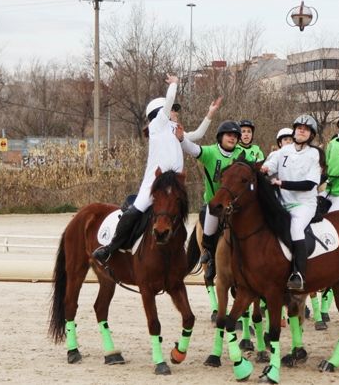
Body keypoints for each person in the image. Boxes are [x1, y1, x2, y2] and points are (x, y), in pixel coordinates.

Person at [92, 75, 183, 264]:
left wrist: (210, 114)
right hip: (153, 185)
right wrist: (174, 84)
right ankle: (109, 249)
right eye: (172, 110)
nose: (175, 113)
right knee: (134, 212)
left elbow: (196, 135)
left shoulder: (175, 131)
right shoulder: (157, 126)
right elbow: (169, 104)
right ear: (159, 114)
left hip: (171, 186)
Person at [261, 114, 322, 291]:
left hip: (304, 205)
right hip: (283, 204)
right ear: (294, 131)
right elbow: (270, 166)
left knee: (295, 227)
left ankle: (298, 274)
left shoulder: (314, 154)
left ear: (311, 135)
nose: (301, 130)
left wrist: (282, 183)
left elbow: (310, 184)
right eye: (299, 127)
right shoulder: (282, 152)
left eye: (306, 129)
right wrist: (265, 169)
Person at [180, 119, 244, 276]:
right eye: (229, 135)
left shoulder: (241, 154)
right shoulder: (210, 152)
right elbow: (192, 148)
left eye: (235, 136)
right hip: (215, 205)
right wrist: (181, 138)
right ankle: (208, 255)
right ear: (220, 136)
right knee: (209, 229)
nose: (232, 138)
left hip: (236, 206)